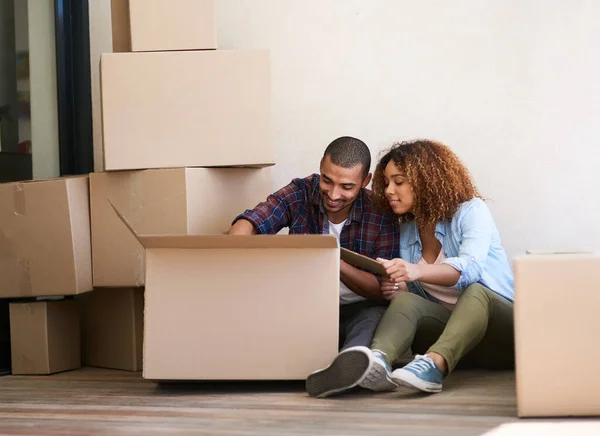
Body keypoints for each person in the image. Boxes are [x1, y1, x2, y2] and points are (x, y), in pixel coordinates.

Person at [306, 139, 514, 398]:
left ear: (426, 179)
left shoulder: (471, 211)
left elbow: (468, 269)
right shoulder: (407, 229)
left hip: (503, 335)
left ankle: (434, 367)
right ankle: (376, 363)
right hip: (454, 340)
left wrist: (415, 271)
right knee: (405, 300)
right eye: (386, 183)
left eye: (399, 181)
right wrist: (397, 285)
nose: (389, 190)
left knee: (476, 292)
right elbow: (414, 290)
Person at [228, 136, 400, 370]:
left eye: (347, 186)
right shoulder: (301, 192)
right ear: (321, 166)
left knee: (375, 318)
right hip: (304, 305)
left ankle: (349, 366)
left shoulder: (380, 212)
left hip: (360, 310)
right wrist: (238, 248)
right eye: (327, 181)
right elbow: (251, 221)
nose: (333, 194)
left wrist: (331, 257)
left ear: (365, 180)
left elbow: (381, 290)